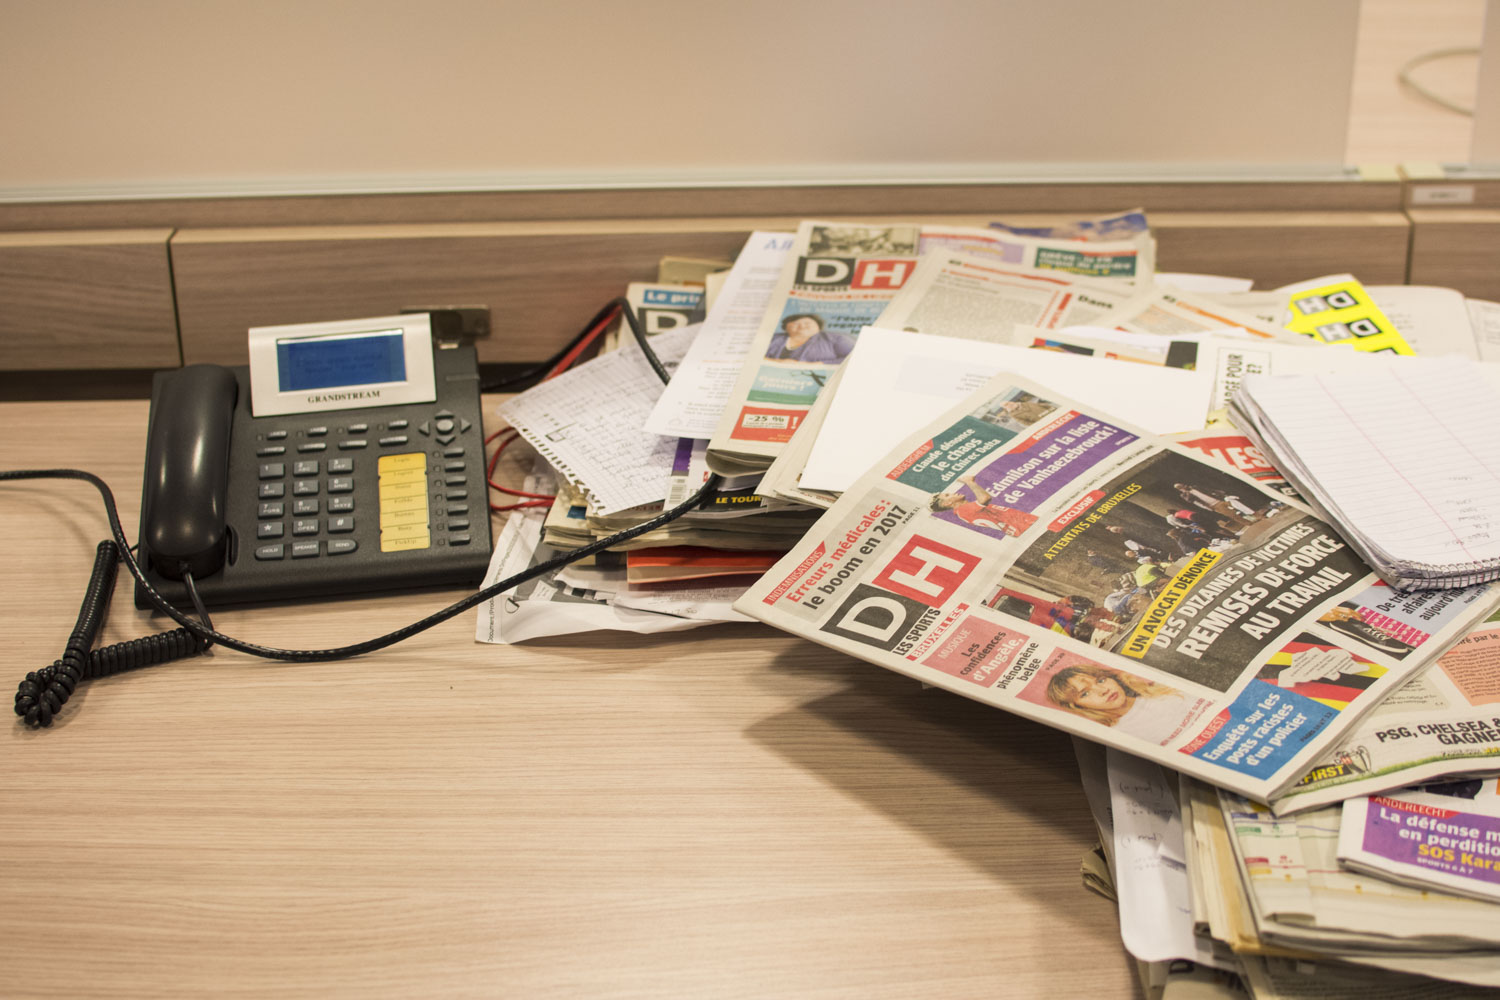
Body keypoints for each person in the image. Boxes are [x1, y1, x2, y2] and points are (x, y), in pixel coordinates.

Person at [1044, 663, 1187, 743]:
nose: (1102, 690)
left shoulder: (1163, 689)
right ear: (1076, 706)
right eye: (1085, 693)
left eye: (1100, 680)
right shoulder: (1117, 736)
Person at [929, 472, 1037, 537]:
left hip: (1026, 526)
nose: (953, 493)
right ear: (948, 503)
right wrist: (969, 482)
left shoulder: (966, 510)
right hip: (1027, 527)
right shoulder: (963, 510)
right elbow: (984, 498)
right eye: (948, 495)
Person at [764, 313, 855, 363]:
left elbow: (855, 357)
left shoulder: (836, 339)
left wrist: (819, 364)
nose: (802, 326)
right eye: (796, 323)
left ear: (818, 327)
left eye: (807, 323)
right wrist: (775, 362)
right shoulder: (772, 338)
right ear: (786, 327)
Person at [1173, 482, 1253, 530]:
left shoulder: (1194, 487)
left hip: (1219, 499)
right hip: (1213, 505)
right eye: (1180, 487)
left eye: (1182, 485)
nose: (1182, 487)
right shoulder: (1184, 495)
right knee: (1232, 515)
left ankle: (1256, 516)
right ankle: (1249, 523)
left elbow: (1208, 490)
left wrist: (1220, 493)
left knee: (1241, 507)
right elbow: (1189, 500)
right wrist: (1186, 491)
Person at [1104, 524, 1169, 562]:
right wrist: (1140, 546)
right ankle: (1164, 556)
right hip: (1142, 543)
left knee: (1155, 548)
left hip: (1144, 540)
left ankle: (1165, 554)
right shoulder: (1124, 535)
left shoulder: (1126, 531)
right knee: (1153, 550)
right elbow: (1133, 541)